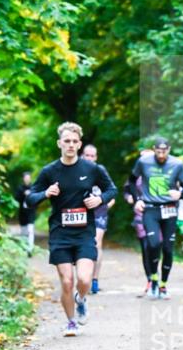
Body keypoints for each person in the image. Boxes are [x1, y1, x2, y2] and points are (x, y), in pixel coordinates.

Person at [27, 122, 117, 337]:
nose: (70, 145)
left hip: (85, 232)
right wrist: (46, 193)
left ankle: (81, 299)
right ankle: (71, 322)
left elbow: (112, 189)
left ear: (79, 144)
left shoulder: (92, 169)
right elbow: (31, 197)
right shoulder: (50, 171)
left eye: (75, 141)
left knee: (84, 280)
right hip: (60, 233)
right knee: (67, 281)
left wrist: (100, 199)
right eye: (67, 141)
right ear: (60, 143)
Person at [128, 138, 183, 300]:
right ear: (154, 149)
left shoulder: (177, 164)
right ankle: (153, 278)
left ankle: (163, 285)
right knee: (154, 243)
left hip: (169, 209)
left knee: (168, 249)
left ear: (169, 149)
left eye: (165, 151)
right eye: (158, 151)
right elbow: (132, 181)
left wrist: (180, 194)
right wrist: (137, 200)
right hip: (150, 209)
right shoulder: (143, 162)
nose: (161, 155)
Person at [81, 144, 115, 293]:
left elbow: (112, 192)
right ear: (82, 155)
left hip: (99, 212)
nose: (89, 158)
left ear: (96, 157)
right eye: (87, 155)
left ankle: (94, 279)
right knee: (82, 245)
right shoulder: (76, 169)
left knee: (96, 243)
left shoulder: (100, 171)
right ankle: (84, 278)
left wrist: (106, 205)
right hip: (81, 213)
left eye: (92, 156)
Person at [123, 168, 154, 296]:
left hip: (156, 214)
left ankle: (159, 279)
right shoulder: (135, 176)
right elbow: (126, 190)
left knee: (156, 246)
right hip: (140, 216)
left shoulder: (159, 172)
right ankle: (150, 280)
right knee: (146, 247)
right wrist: (129, 197)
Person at [16, 171, 36, 250]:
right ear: (23, 179)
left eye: (28, 178)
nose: (27, 179)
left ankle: (30, 248)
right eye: (25, 178)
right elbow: (16, 199)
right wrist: (23, 194)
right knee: (24, 231)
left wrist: (30, 194)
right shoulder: (20, 188)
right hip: (22, 212)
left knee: (30, 230)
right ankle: (24, 247)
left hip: (31, 212)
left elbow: (36, 199)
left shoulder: (34, 187)